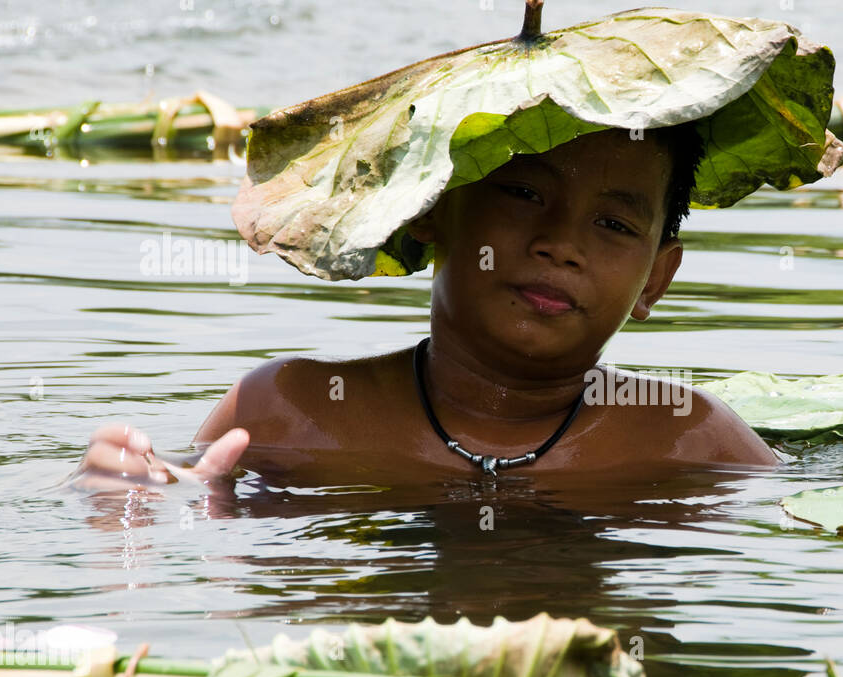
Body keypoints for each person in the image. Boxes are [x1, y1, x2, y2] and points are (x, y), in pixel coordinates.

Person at [68, 123, 778, 492]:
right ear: (431, 208)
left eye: (614, 225)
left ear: (657, 277)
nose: (560, 244)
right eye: (524, 193)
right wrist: (137, 493)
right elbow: (195, 509)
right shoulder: (284, 414)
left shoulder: (690, 442)